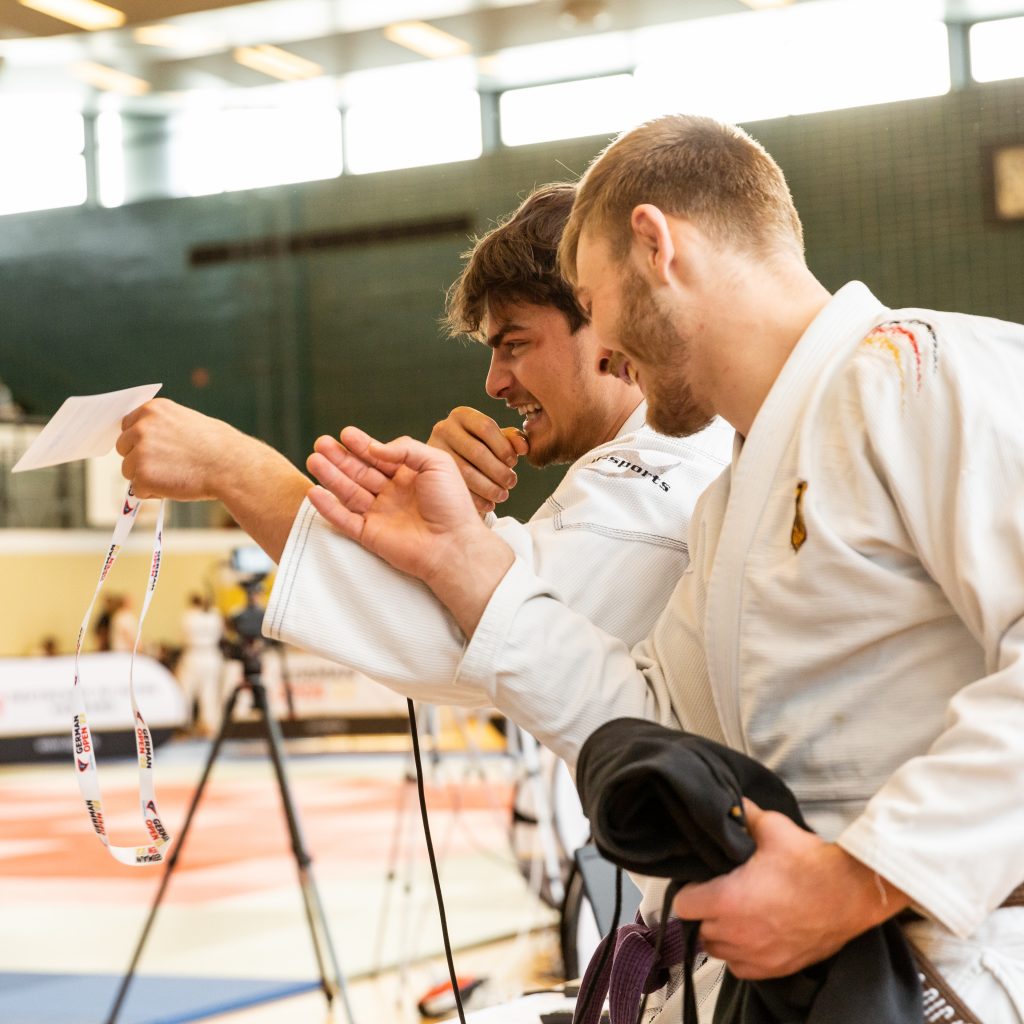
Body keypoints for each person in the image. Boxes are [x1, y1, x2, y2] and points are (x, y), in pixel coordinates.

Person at [308, 115, 1024, 1022]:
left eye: (591, 298)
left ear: (656, 245)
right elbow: (655, 720)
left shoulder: (922, 372)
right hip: (811, 977)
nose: (601, 346)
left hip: (962, 962)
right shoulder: (733, 499)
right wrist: (465, 564)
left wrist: (859, 880)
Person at [177, 593, 225, 736]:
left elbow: (181, 637)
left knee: (186, 691)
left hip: (194, 654)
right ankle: (209, 725)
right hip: (212, 654)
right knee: (209, 692)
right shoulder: (215, 615)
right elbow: (221, 633)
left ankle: (183, 724)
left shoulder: (188, 616)